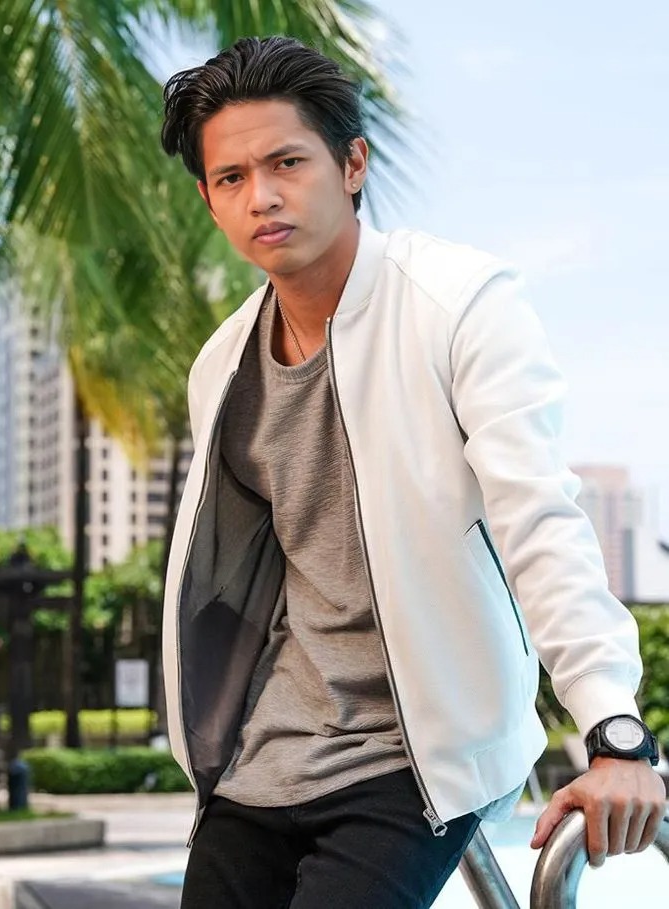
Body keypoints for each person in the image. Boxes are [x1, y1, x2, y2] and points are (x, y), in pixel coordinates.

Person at [159, 35, 665, 909]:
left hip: (416, 756)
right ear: (207, 199)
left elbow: (538, 520)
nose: (262, 196)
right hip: (262, 757)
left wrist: (612, 728)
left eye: (287, 162)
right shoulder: (221, 365)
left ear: (351, 163)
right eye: (231, 177)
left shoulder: (458, 304)